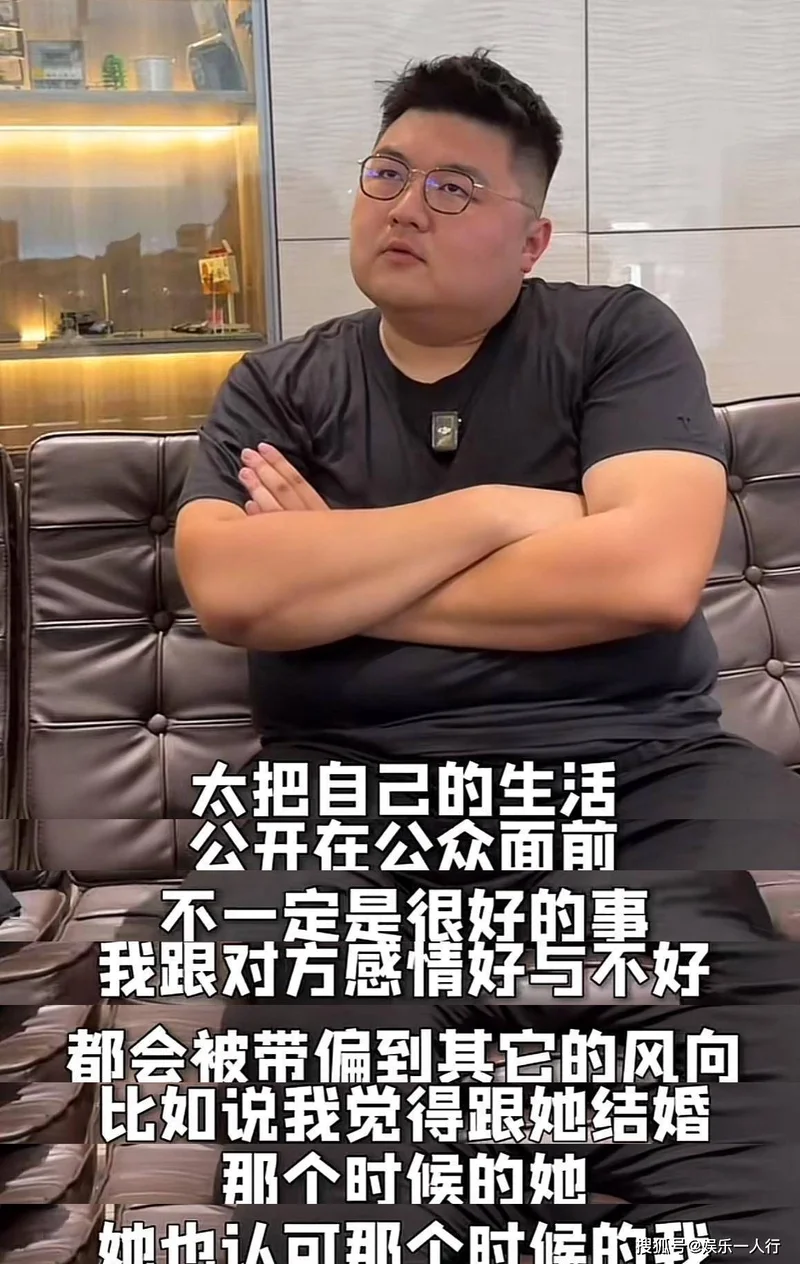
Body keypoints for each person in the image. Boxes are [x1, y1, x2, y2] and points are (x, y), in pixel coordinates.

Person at [176, 51, 800, 1260]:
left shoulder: (614, 337)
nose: (403, 206)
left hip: (635, 788)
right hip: (342, 801)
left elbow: (642, 575)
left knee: (760, 1176)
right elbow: (235, 592)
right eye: (386, 173)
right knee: (336, 1208)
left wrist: (338, 572)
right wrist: (499, 512)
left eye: (453, 187)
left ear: (530, 239)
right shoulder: (275, 389)